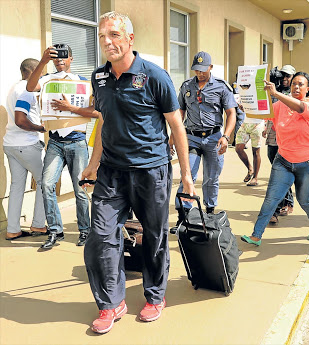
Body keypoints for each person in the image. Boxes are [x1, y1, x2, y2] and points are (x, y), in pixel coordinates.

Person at [80, 11, 195, 333]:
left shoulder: (155, 76)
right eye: (103, 36)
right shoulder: (99, 77)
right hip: (111, 172)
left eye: (114, 35)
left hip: (151, 170)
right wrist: (92, 163)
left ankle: (155, 296)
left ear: (130, 39)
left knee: (154, 237)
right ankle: (110, 303)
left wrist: (186, 175)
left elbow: (176, 125)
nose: (107, 42)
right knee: (101, 237)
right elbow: (103, 120)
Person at [26, 44, 99, 249]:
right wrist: (42, 61)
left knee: (80, 189)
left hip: (77, 140)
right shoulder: (47, 79)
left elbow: (96, 112)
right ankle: (55, 231)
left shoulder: (83, 83)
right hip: (55, 141)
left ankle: (85, 230)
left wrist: (71, 108)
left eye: (64, 56)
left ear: (71, 59)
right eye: (56, 57)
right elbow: (30, 87)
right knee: (47, 184)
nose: (60, 60)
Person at [241, 72, 309, 246]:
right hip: (284, 161)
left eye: (301, 84)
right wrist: (247, 104)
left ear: (308, 89)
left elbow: (299, 108)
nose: (296, 86)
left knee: (304, 200)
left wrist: (276, 93)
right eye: (294, 83)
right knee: (271, 198)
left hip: (308, 163)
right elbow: (262, 113)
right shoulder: (280, 106)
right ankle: (256, 235)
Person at [174, 51, 236, 217]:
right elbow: (180, 112)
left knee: (211, 178)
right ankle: (183, 216)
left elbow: (231, 113)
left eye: (203, 69)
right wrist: (173, 136)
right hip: (192, 138)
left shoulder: (222, 87)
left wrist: (226, 137)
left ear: (211, 67)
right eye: (196, 70)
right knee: (188, 176)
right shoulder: (187, 86)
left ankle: (209, 213)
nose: (200, 73)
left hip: (214, 138)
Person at [3, 58, 48, 240]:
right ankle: (38, 225)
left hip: (11, 144)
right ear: (32, 71)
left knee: (17, 186)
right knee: (45, 183)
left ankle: (12, 229)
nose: (42, 76)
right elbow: (21, 121)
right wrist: (40, 128)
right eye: (41, 72)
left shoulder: (14, 87)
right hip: (26, 144)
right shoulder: (25, 91)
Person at [265, 64, 296, 222]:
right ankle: (286, 201)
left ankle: (280, 207)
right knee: (276, 167)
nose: (285, 79)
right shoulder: (273, 90)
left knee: (280, 171)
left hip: (287, 137)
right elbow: (267, 109)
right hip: (272, 134)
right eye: (282, 75)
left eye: (288, 76)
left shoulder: (294, 93)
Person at [234, 99, 265, 187]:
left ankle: (255, 177)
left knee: (256, 152)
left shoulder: (262, 91)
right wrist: (243, 108)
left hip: (258, 124)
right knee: (238, 148)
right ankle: (250, 168)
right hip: (246, 123)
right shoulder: (247, 92)